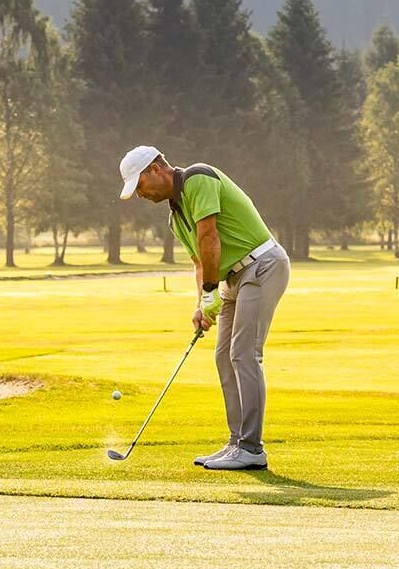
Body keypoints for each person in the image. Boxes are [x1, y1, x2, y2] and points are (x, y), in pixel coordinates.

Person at [119, 145, 290, 470]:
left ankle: (252, 448)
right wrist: (202, 303)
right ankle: (236, 442)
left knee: (244, 353)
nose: (139, 194)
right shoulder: (176, 217)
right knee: (223, 355)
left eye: (139, 184)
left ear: (156, 169)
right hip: (232, 278)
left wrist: (212, 291)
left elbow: (210, 237)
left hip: (263, 265)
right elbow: (200, 261)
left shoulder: (198, 178)